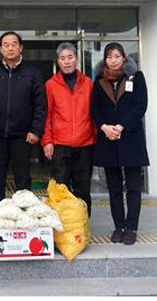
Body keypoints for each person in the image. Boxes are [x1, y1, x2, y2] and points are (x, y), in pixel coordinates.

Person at [0, 31, 47, 215]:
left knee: (23, 178)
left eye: (14, 44)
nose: (10, 47)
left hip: (23, 135)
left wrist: (36, 130)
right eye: (6, 44)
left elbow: (40, 105)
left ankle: (25, 215)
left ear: (21, 47)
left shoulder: (32, 73)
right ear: (1, 49)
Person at [91, 42, 149, 245]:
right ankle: (119, 226)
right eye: (109, 57)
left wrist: (122, 126)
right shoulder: (98, 81)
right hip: (108, 139)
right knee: (114, 188)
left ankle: (131, 228)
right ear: (105, 60)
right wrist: (105, 127)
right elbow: (94, 110)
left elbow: (140, 106)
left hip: (131, 137)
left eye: (117, 56)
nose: (113, 60)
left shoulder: (136, 77)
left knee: (133, 187)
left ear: (124, 58)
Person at [41, 42, 96, 216]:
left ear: (77, 59)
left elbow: (95, 113)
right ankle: (63, 231)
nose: (67, 62)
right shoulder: (51, 85)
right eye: (63, 58)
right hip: (60, 146)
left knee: (83, 190)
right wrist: (47, 141)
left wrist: (95, 137)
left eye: (70, 57)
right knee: (61, 190)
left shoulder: (89, 84)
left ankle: (82, 227)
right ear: (58, 61)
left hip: (85, 144)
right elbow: (47, 115)